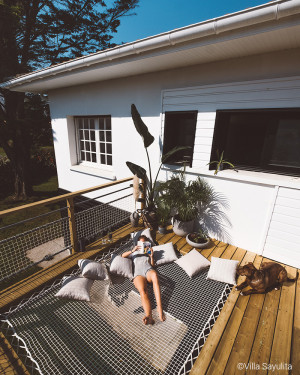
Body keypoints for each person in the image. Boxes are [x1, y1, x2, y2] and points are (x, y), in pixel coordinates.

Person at [122, 235, 166, 325]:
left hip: (148, 270)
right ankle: (149, 316)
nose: (142, 245)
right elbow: (122, 256)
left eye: (144, 243)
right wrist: (132, 250)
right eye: (141, 243)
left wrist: (151, 256)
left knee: (155, 275)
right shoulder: (133, 252)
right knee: (143, 291)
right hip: (138, 274)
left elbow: (152, 265)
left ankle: (159, 308)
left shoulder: (148, 252)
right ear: (138, 243)